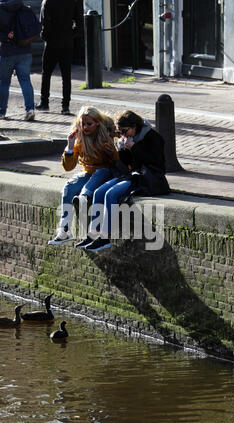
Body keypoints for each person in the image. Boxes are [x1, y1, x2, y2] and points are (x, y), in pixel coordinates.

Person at [77, 110, 170, 252]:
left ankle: (104, 238)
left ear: (134, 127)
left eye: (125, 131)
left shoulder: (153, 137)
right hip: (130, 174)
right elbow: (125, 164)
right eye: (121, 132)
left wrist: (134, 147)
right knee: (99, 192)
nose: (123, 135)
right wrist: (121, 151)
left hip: (145, 177)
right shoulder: (128, 138)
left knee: (111, 194)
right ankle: (93, 234)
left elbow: (157, 163)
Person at [48, 106, 119, 246]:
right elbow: (68, 167)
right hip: (88, 173)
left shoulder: (106, 135)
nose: (85, 127)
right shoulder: (78, 138)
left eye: (89, 124)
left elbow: (115, 162)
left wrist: (110, 152)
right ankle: (64, 230)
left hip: (106, 173)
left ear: (97, 123)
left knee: (100, 172)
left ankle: (85, 197)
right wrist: (69, 146)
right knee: (69, 186)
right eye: (82, 124)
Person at [0, 0, 36, 121]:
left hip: (6, 52)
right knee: (25, 80)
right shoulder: (24, 8)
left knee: (4, 83)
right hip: (25, 50)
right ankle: (30, 109)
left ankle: (1, 112)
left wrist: (4, 37)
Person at [35, 0, 82, 114]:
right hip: (67, 42)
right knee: (66, 76)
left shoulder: (47, 2)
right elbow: (79, 22)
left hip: (52, 42)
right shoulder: (73, 2)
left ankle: (44, 102)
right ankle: (65, 106)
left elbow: (45, 22)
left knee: (46, 74)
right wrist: (71, 35)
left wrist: (45, 36)